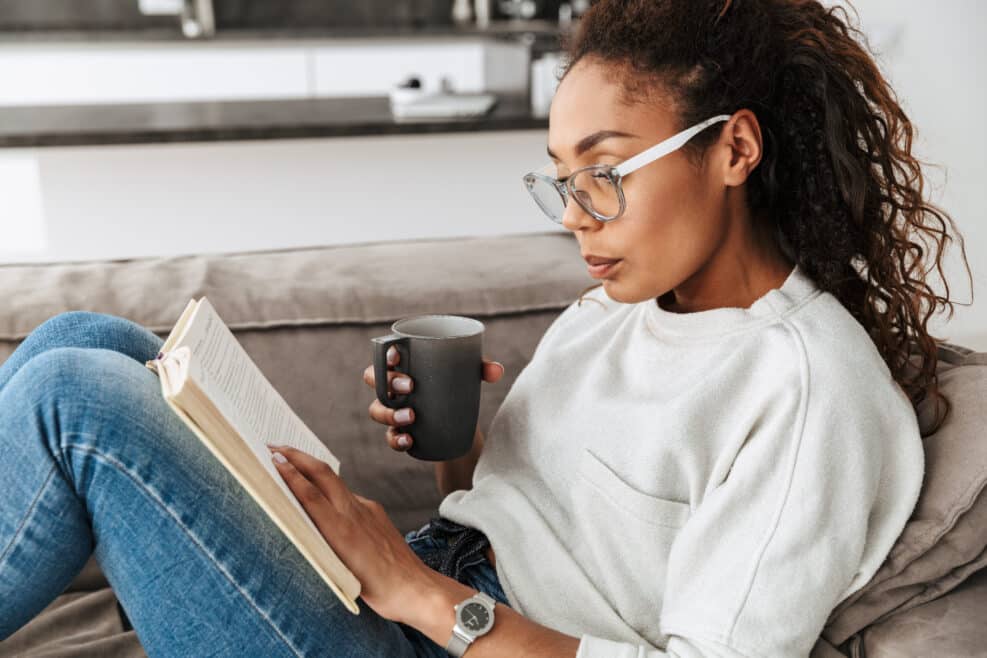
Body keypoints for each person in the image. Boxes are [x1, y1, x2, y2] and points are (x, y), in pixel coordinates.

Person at [0, 0, 971, 656]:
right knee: (85, 340)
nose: (575, 215)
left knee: (71, 402)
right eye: (561, 176)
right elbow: (513, 527)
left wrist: (417, 592)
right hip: (422, 590)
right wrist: (455, 453)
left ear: (735, 148)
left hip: (420, 634)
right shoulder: (618, 309)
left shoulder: (807, 391)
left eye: (605, 170)